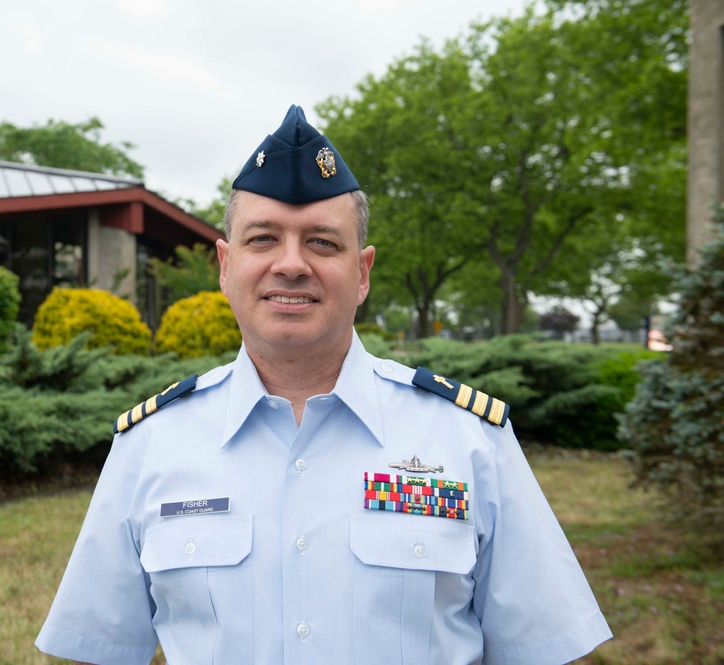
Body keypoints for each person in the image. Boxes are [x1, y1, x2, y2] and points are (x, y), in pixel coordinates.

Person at [36, 105, 612, 664]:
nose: (291, 264)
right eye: (263, 239)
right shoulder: (151, 445)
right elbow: (99, 649)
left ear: (362, 273)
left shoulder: (468, 441)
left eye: (322, 242)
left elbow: (546, 648)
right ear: (224, 266)